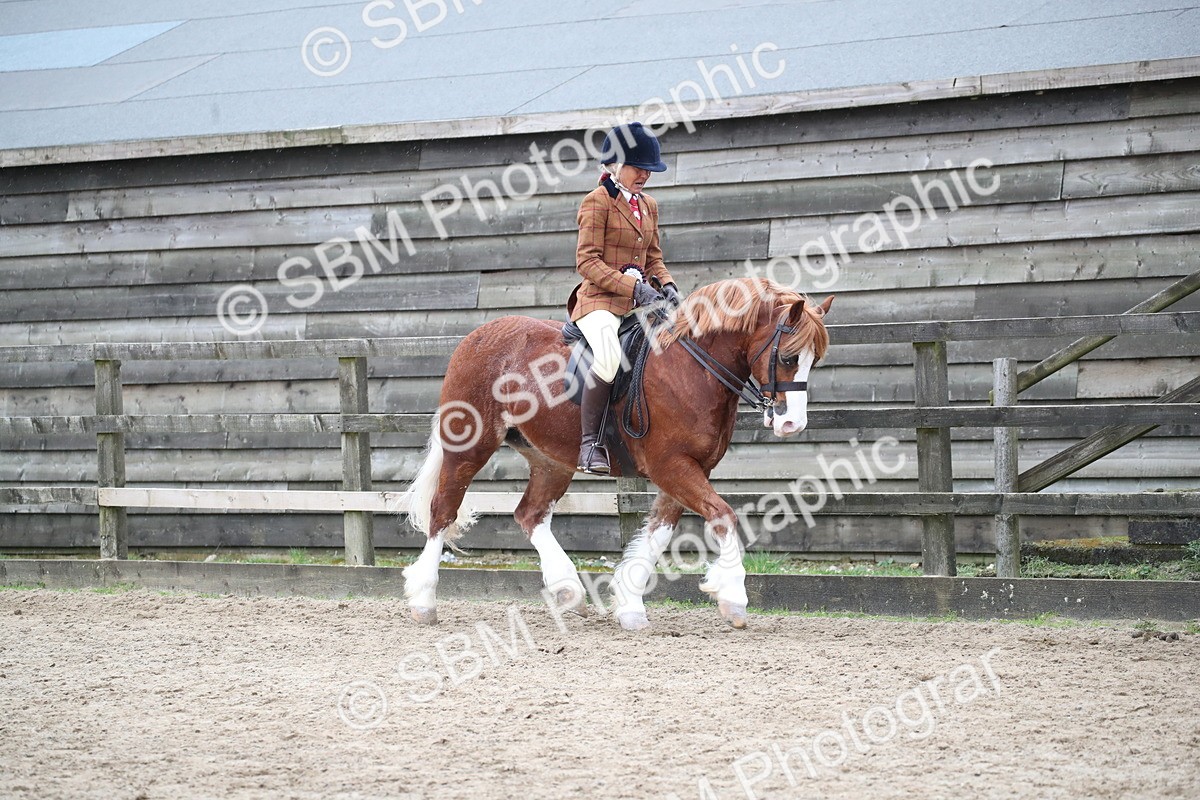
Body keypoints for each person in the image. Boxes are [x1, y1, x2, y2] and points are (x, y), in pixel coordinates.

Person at [568, 122, 683, 475]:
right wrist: (633, 288)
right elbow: (587, 262)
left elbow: (653, 258)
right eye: (638, 168)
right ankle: (590, 445)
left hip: (637, 304)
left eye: (649, 170)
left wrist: (668, 284)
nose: (645, 175)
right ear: (615, 165)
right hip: (598, 302)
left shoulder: (649, 206)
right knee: (608, 358)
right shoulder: (597, 201)